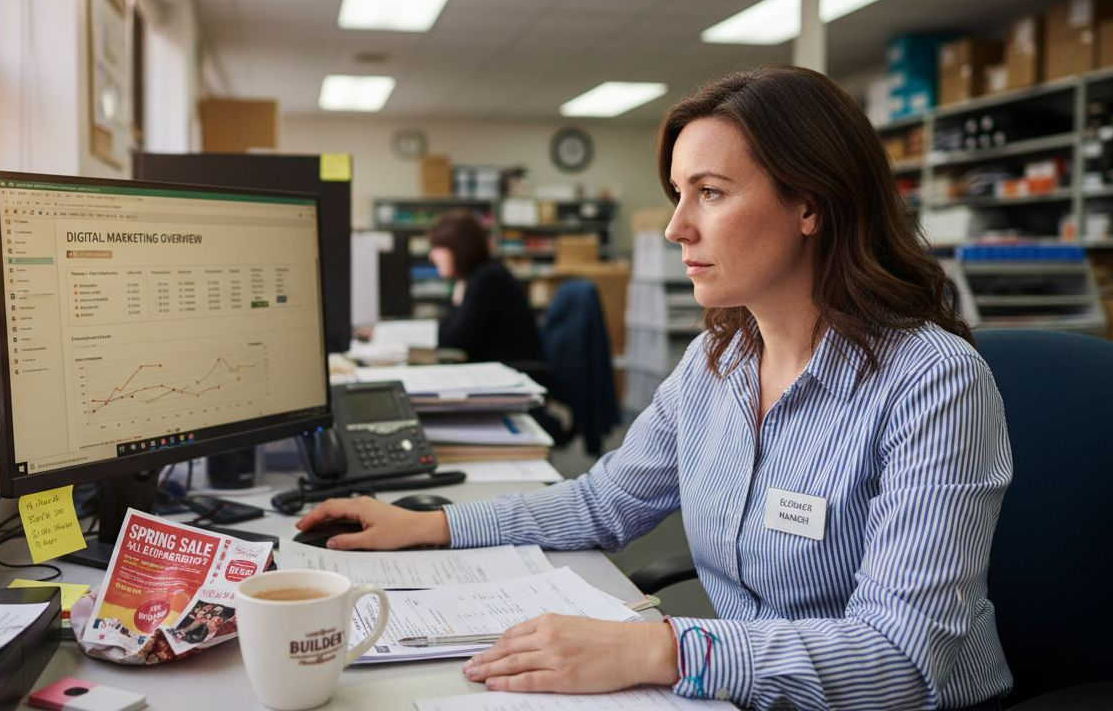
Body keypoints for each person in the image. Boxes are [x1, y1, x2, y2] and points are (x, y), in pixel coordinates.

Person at [297, 65, 1013, 711]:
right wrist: (429, 527)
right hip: (747, 692)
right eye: (678, 194)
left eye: (710, 193)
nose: (677, 227)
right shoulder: (716, 361)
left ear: (810, 205)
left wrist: (658, 649)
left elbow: (900, 662)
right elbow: (604, 503)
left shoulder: (931, 382)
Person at [427, 210, 544, 367]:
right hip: (493, 371)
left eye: (438, 247)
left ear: (458, 248)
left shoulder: (488, 278)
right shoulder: (469, 279)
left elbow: (454, 343)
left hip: (512, 373)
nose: (431, 256)